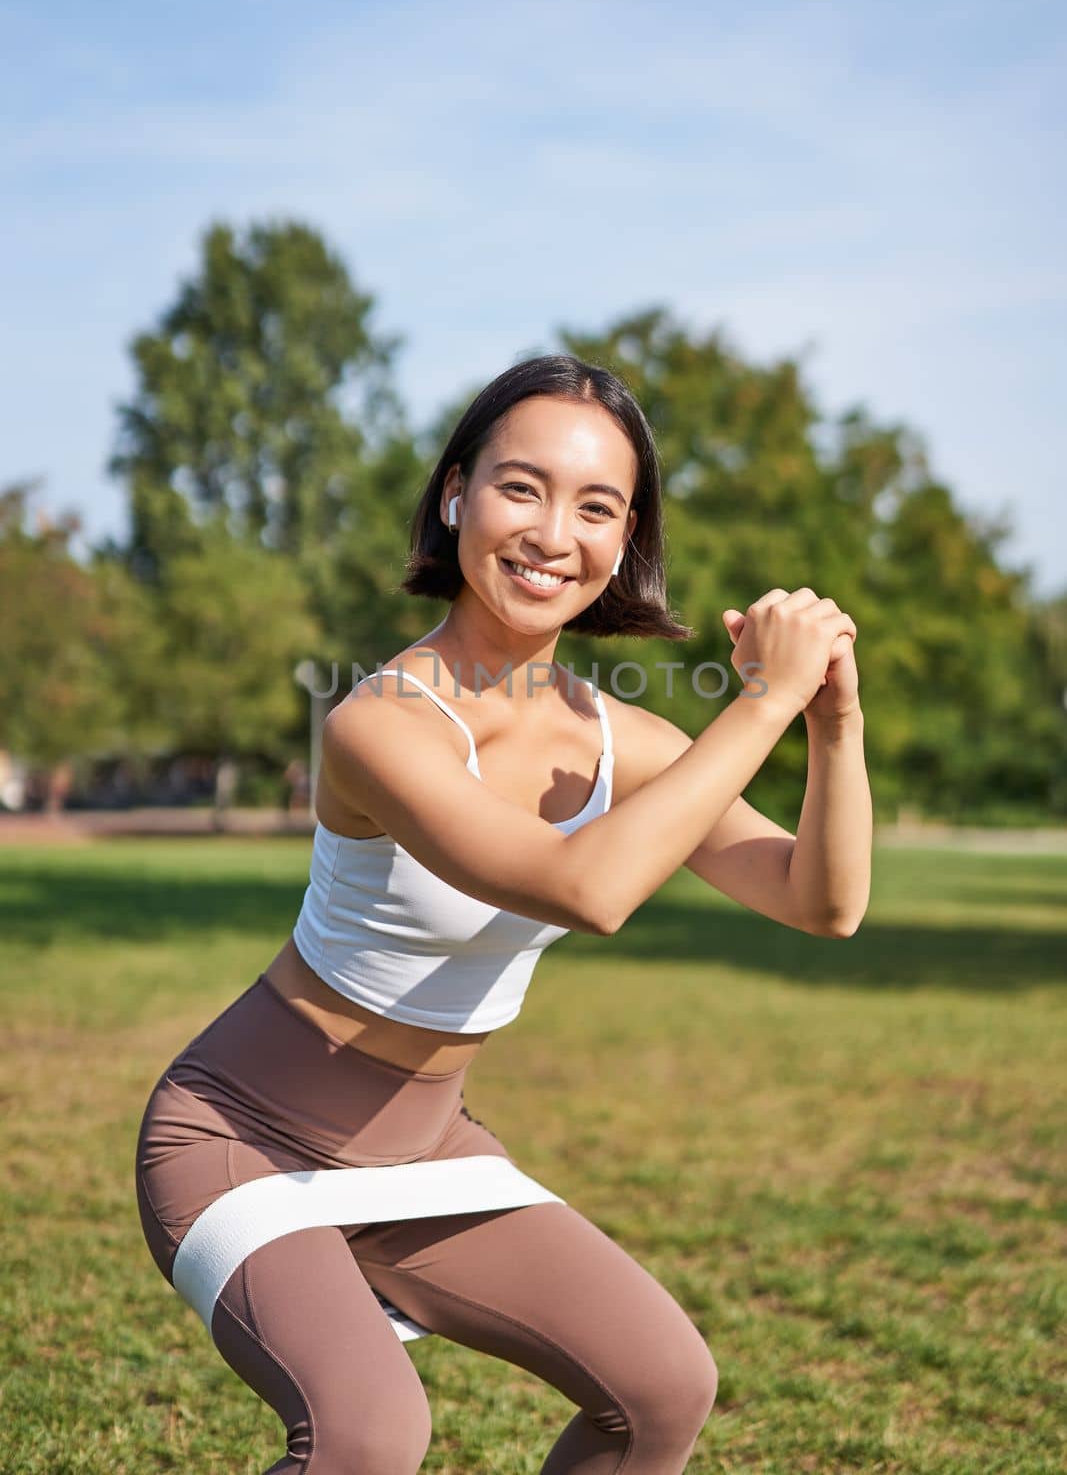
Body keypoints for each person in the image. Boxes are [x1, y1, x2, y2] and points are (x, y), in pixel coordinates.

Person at [134, 353, 868, 1474]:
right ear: (455, 495)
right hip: (244, 1134)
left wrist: (829, 723)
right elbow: (586, 889)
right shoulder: (380, 722)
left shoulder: (625, 743)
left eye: (595, 506)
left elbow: (822, 902)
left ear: (624, 541)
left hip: (426, 1146)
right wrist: (760, 697)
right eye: (519, 487)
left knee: (661, 1388)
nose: (550, 533)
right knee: (367, 1435)